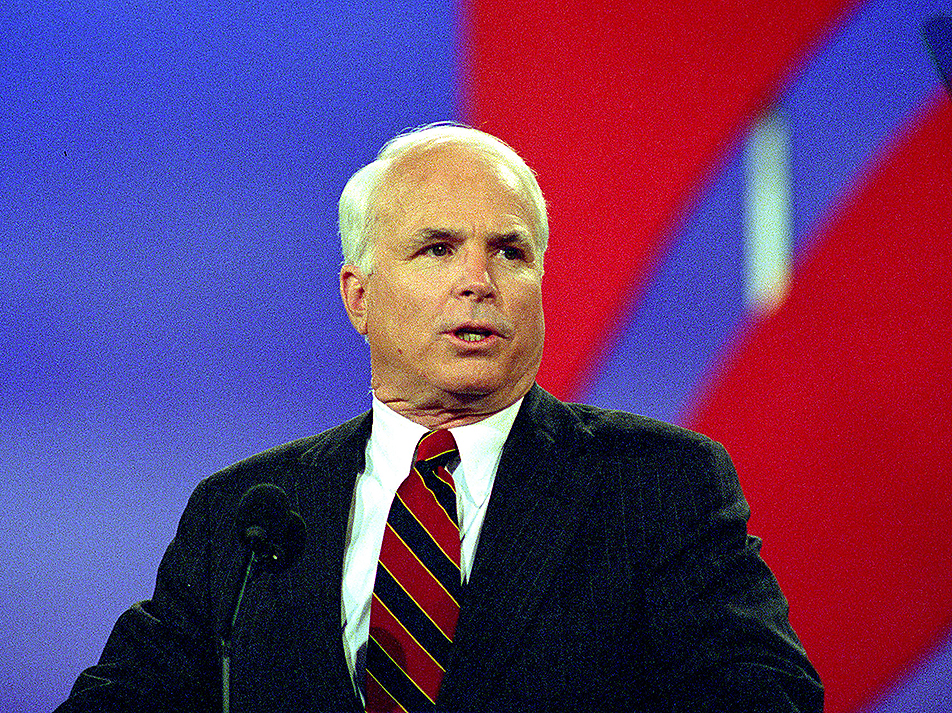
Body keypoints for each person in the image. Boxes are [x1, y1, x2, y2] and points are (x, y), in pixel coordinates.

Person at [55, 124, 823, 712]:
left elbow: (766, 696)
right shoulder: (244, 515)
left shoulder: (656, 484)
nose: (479, 281)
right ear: (359, 295)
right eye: (438, 249)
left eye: (510, 253)